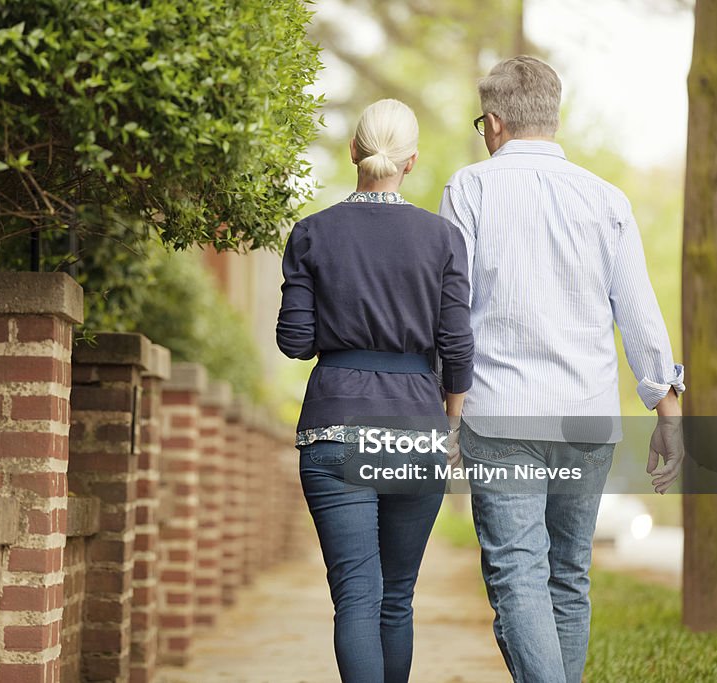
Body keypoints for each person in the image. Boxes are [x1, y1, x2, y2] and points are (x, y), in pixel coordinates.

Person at [439, 56, 686, 683]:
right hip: (586, 417)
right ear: (553, 117)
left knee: (520, 576)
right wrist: (668, 408)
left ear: (493, 122)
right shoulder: (607, 200)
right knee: (567, 579)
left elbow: (450, 312)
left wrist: (447, 411)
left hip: (500, 414)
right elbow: (639, 310)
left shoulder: (469, 189)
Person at [277, 98, 474, 683]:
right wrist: (451, 425)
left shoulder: (312, 234)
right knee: (397, 598)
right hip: (415, 430)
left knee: (357, 599)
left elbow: (295, 340)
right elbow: (458, 348)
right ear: (411, 162)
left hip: (334, 427)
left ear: (353, 152)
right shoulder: (442, 238)